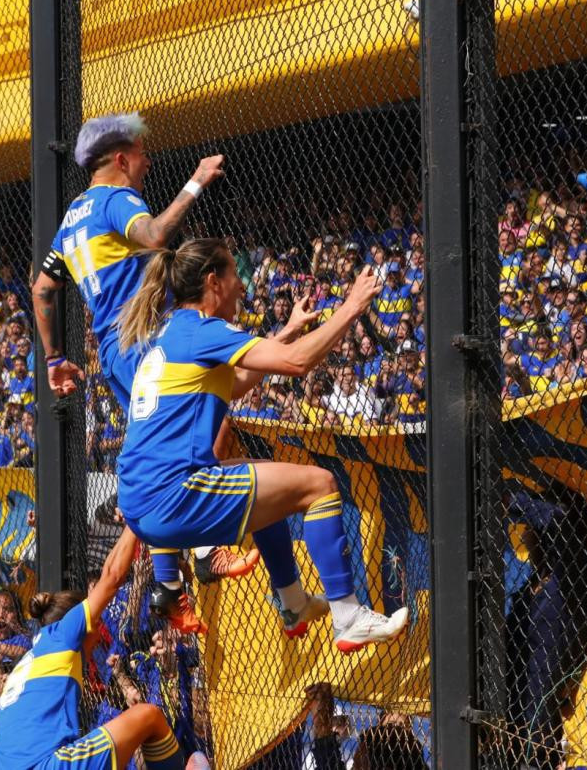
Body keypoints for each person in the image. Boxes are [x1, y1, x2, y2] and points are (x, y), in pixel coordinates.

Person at [116, 238, 409, 651]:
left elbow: (232, 386)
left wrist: (288, 330)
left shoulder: (170, 332)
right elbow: (297, 364)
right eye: (235, 276)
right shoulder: (204, 330)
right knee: (319, 484)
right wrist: (352, 307)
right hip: (174, 496)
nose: (243, 288)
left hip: (141, 506)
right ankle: (348, 616)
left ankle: (292, 603)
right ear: (212, 281)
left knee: (267, 483)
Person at [31, 111, 255, 633]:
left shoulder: (70, 219)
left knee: (167, 442)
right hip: (144, 337)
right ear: (121, 159)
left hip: (114, 349)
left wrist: (54, 359)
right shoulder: (116, 199)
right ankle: (200, 551)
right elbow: (154, 235)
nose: (147, 164)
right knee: (204, 421)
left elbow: (43, 290)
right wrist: (196, 182)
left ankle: (169, 585)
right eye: (142, 157)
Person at [0, 526, 210, 770]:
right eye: (97, 621)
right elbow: (112, 575)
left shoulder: (30, 659)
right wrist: (134, 520)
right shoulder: (63, 634)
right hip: (45, 765)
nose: (99, 631)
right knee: (148, 716)